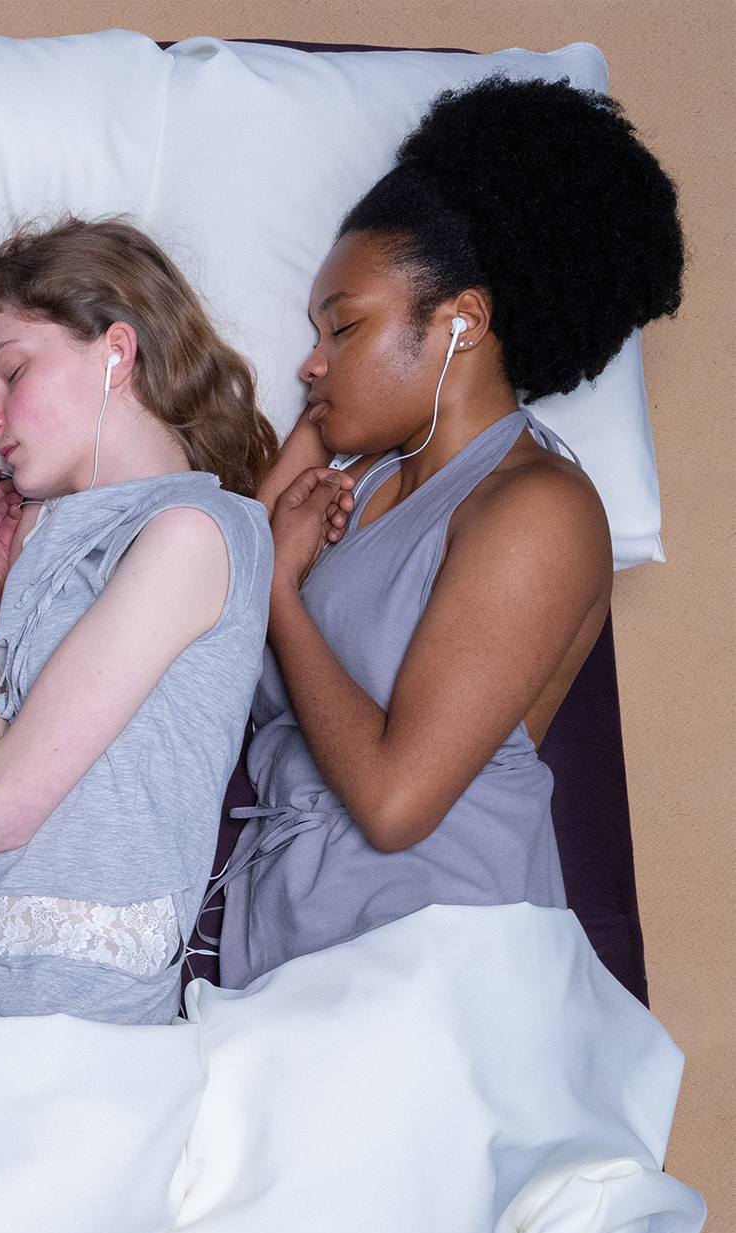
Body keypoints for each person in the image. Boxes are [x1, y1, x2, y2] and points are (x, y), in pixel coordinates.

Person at [220, 77, 684, 987]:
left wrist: (283, 597)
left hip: (443, 971)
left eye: (344, 326)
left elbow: (397, 802)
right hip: (290, 960)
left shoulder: (540, 508)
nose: (310, 360)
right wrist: (326, 413)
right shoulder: (360, 487)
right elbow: (210, 598)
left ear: (462, 321)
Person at [0, 219, 276, 1026]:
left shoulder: (197, 532)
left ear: (117, 351)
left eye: (11, 373)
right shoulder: (23, 522)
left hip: (79, 1015)